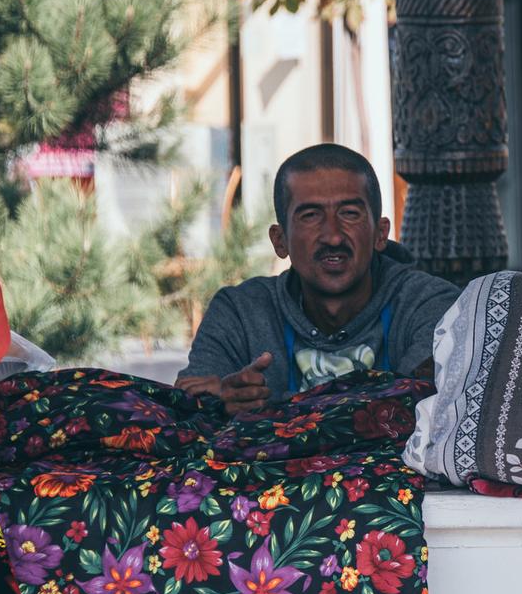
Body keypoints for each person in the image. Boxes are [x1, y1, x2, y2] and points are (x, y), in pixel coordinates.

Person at [177, 144, 460, 414]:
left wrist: (271, 407)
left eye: (349, 213)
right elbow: (185, 405)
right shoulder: (240, 312)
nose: (333, 236)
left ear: (380, 233)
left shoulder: (433, 306)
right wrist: (219, 405)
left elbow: (420, 404)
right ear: (280, 240)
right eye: (310, 216)